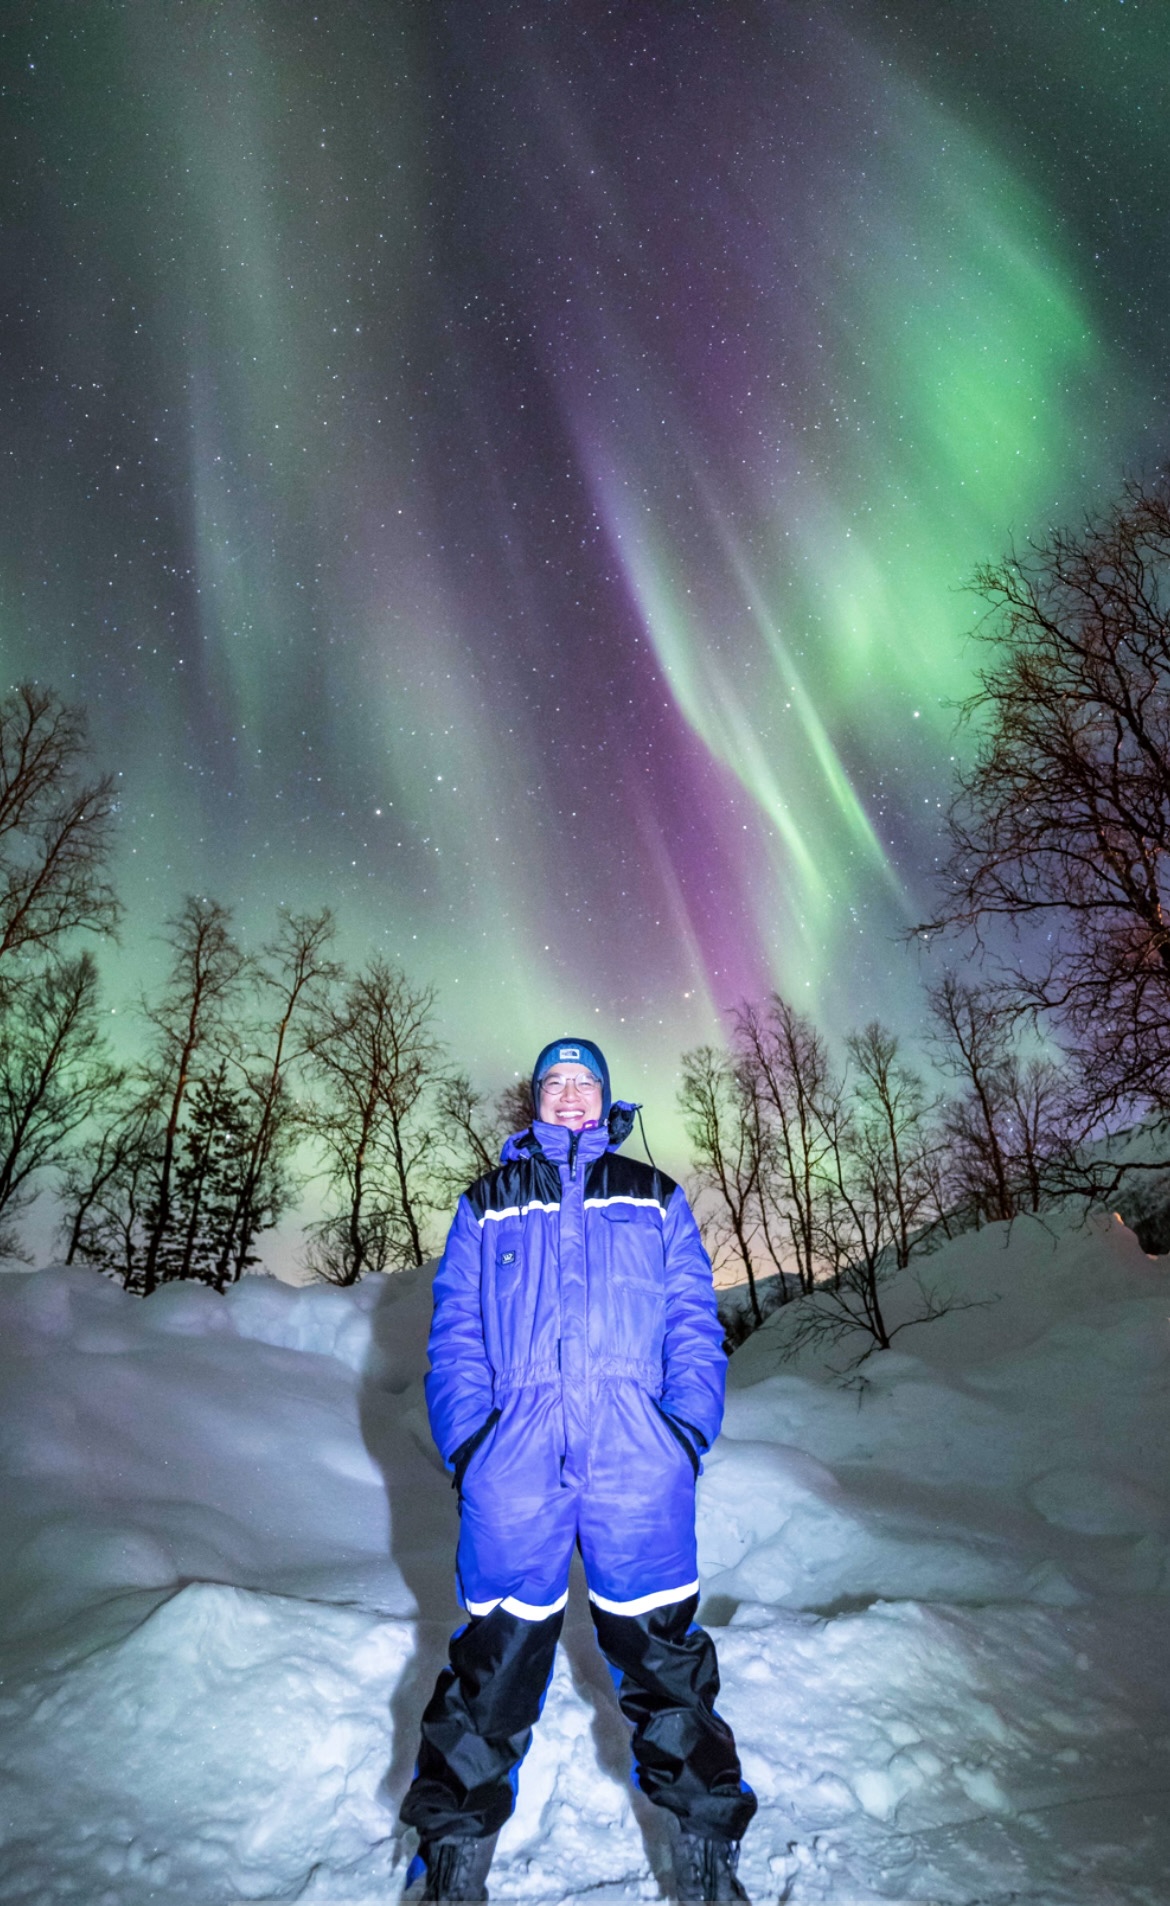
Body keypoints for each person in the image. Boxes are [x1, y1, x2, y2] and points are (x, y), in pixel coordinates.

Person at [401, 1038, 756, 1902]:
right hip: (514, 1463)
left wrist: (684, 1435)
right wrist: (473, 1447)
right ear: (535, 1100)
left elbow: (691, 1327)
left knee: (668, 1667)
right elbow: (455, 1336)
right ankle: (452, 1866)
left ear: (606, 1100)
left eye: (583, 1082)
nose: (567, 1096)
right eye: (553, 1083)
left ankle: (706, 1860)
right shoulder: (485, 1206)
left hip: (637, 1460)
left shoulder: (655, 1196)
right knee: (490, 1667)